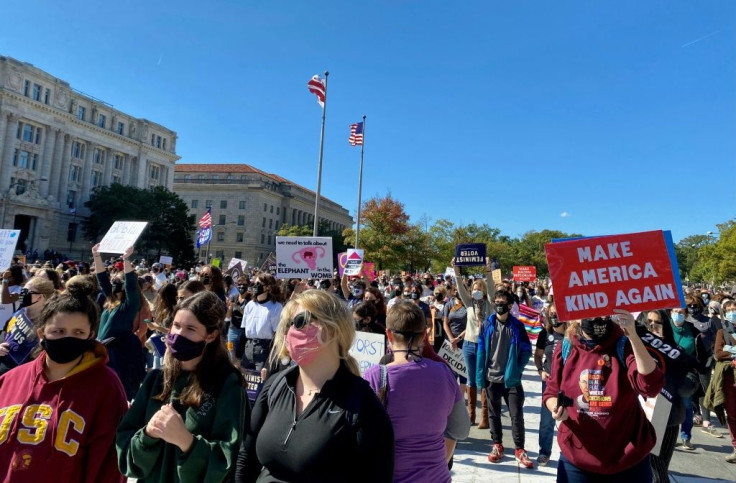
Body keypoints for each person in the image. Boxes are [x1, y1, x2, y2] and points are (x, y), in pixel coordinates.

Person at [236, 289, 394, 482]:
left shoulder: (363, 406)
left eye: (300, 321)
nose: (290, 331)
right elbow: (247, 459)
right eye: (287, 324)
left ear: (333, 329)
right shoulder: (275, 385)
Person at [0, 281, 128, 482]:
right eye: (58, 332)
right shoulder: (9, 380)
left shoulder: (106, 387)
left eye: (78, 333)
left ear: (91, 336)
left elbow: (108, 464)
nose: (68, 339)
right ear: (41, 334)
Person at [117, 291, 247, 482]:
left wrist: (186, 441)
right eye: (176, 326)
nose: (178, 335)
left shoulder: (227, 385)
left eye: (190, 329)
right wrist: (148, 434)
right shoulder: (156, 380)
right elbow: (127, 455)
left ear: (210, 335)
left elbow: (225, 461)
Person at [543, 310, 664, 481]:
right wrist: (555, 406)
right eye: (591, 314)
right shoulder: (566, 347)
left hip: (628, 460)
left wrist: (634, 337)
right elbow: (551, 391)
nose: (597, 319)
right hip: (578, 460)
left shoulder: (623, 345)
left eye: (603, 314)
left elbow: (651, 386)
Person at [365, 302, 470, 483]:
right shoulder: (444, 372)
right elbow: (460, 430)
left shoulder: (373, 377)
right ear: (424, 335)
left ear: (389, 334)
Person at [476, 290, 534, 468]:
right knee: (494, 415)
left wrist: (517, 370)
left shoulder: (517, 326)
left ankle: (519, 449)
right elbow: (480, 351)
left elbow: (526, 351)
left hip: (511, 380)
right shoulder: (487, 324)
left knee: (516, 415)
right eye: (496, 301)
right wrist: (480, 377)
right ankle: (497, 445)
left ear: (509, 306)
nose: (499, 304)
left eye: (502, 302)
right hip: (491, 377)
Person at [643, 309, 697, 481]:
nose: (653, 326)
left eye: (657, 323)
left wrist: (679, 383)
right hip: (639, 414)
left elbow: (691, 377)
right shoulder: (636, 349)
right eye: (649, 323)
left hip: (665, 411)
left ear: (665, 325)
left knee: (657, 467)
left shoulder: (676, 352)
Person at [93, 244, 144, 400]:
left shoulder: (130, 305)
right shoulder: (110, 299)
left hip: (118, 355)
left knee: (114, 391)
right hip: (101, 351)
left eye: (117, 280)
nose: (113, 281)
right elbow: (102, 279)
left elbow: (130, 285)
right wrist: (96, 256)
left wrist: (127, 259)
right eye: (113, 279)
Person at [453, 258, 495, 428]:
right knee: (470, 379)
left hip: (484, 345)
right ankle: (471, 414)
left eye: (480, 289)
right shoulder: (469, 304)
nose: (477, 291)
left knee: (483, 379)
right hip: (469, 345)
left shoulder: (490, 305)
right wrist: (456, 271)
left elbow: (492, 290)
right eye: (475, 289)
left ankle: (484, 416)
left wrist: (488, 271)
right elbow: (461, 288)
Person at [0, 276, 56, 374]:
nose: (22, 294)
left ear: (40, 297)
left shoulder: (49, 324)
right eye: (22, 290)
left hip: (19, 375)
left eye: (26, 291)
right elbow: (5, 334)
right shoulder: (20, 312)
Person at [533, 303, 566, 467]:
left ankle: (567, 453)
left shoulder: (573, 335)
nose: (554, 317)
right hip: (549, 383)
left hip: (568, 384)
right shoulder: (545, 334)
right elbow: (538, 355)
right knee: (546, 420)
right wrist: (540, 371)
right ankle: (544, 452)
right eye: (551, 314)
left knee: (569, 419)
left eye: (557, 314)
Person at [709, 299, 736, 463]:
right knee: (732, 415)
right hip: (729, 380)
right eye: (730, 309)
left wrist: (729, 349)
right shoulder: (722, 331)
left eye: (735, 308)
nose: (733, 311)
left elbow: (723, 351)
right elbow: (718, 354)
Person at [671, 305, 700, 450]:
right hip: (667, 373)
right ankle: (665, 437)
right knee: (664, 406)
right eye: (675, 312)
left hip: (685, 376)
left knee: (686, 405)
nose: (677, 314)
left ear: (686, 314)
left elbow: (700, 351)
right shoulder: (664, 326)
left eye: (681, 312)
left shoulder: (693, 330)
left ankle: (685, 437)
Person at [241, 272, 283, 371]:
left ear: (268, 287)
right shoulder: (250, 305)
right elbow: (243, 331)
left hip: (264, 349)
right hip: (248, 347)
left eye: (259, 284)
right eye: (254, 284)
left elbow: (278, 335)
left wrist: (270, 359)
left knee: (260, 381)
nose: (255, 287)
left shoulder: (276, 307)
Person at [226, 276, 251, 360]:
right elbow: (228, 316)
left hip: (244, 331)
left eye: (243, 284)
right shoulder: (234, 297)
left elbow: (248, 315)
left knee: (240, 356)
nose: (241, 286)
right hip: (232, 330)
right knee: (230, 350)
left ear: (247, 285)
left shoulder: (251, 299)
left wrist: (237, 307)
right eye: (239, 284)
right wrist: (229, 307)